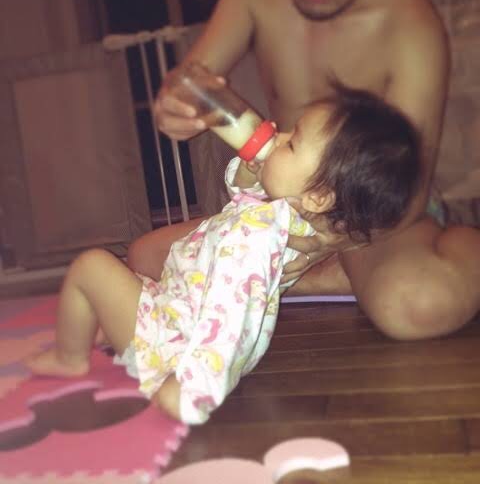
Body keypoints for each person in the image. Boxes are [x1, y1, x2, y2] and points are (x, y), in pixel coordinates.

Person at [130, 0, 480, 341]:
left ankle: (461, 244)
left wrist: (328, 240)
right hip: (282, 209)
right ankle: (321, 278)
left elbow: (410, 189)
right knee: (145, 258)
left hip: (372, 219)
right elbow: (190, 82)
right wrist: (175, 108)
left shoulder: (410, 23)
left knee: (416, 305)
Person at [26, 82, 420, 424]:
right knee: (127, 281)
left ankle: (70, 357)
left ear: (318, 197)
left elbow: (230, 313)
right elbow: (243, 196)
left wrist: (195, 390)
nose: (278, 136)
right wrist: (252, 168)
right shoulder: (283, 213)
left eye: (292, 143)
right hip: (178, 306)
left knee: (92, 265)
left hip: (180, 342)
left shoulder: (255, 238)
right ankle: (104, 330)